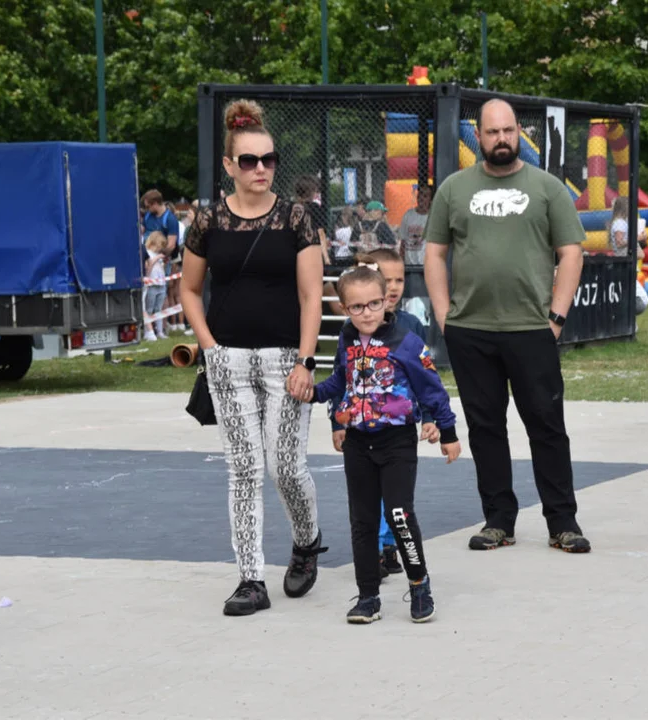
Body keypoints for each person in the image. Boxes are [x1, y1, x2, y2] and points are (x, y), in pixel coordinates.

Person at [424, 98, 591, 554]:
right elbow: (435, 252)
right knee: (485, 427)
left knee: (546, 425)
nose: (501, 139)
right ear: (478, 136)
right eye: (492, 132)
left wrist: (555, 317)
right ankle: (498, 520)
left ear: (520, 133)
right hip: (471, 331)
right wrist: (445, 317)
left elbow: (572, 252)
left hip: (531, 329)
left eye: (509, 131)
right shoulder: (454, 189)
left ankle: (563, 522)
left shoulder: (547, 188)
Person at [179, 99, 327, 617]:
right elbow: (189, 290)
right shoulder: (207, 221)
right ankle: (250, 579)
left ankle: (307, 542)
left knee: (286, 466)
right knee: (243, 468)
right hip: (229, 362)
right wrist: (210, 348)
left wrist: (306, 362)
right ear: (229, 165)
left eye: (268, 159)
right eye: (249, 161)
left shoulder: (296, 218)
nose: (261, 169)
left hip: (287, 358)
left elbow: (313, 296)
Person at [308, 264, 461, 624]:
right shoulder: (345, 340)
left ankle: (419, 584)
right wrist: (312, 393)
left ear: (386, 302)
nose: (367, 313)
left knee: (398, 513)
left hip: (397, 442)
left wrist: (448, 432)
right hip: (359, 443)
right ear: (345, 308)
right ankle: (368, 596)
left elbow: (432, 389)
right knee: (361, 521)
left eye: (374, 304)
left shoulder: (406, 342)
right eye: (357, 307)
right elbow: (339, 384)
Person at [330, 249, 437, 579]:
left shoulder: (411, 328)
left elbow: (426, 381)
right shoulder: (350, 332)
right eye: (386, 280)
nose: (393, 287)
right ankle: (375, 554)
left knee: (398, 503)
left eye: (400, 279)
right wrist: (337, 420)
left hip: (398, 431)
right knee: (367, 503)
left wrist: (432, 419)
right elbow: (340, 380)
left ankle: (397, 554)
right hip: (362, 434)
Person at [143, 231, 169, 341]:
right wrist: (156, 258)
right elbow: (148, 269)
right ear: (154, 243)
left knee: (158, 309)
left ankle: (160, 331)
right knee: (149, 309)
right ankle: (148, 331)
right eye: (160, 246)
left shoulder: (159, 256)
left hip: (161, 284)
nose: (160, 249)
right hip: (151, 285)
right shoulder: (147, 253)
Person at [398, 185, 432, 266]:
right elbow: (403, 241)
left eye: (425, 196)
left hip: (425, 263)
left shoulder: (432, 217)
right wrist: (402, 261)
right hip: (409, 263)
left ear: (430, 199)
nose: (421, 198)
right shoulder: (408, 215)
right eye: (420, 194)